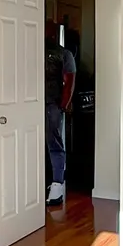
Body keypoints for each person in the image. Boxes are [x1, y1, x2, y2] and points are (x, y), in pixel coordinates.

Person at [44, 20, 77, 205]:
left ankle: (57, 186)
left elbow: (69, 80)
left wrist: (63, 104)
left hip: (52, 104)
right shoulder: (32, 52)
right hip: (38, 103)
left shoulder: (64, 54)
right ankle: (52, 185)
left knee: (54, 143)